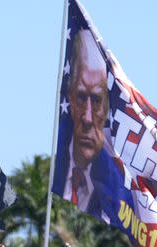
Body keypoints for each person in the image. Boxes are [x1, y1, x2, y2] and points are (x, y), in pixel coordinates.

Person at [52, 29, 122, 222]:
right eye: (81, 97)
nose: (88, 118)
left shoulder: (114, 186)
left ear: (107, 107)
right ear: (69, 100)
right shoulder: (56, 171)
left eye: (97, 100)